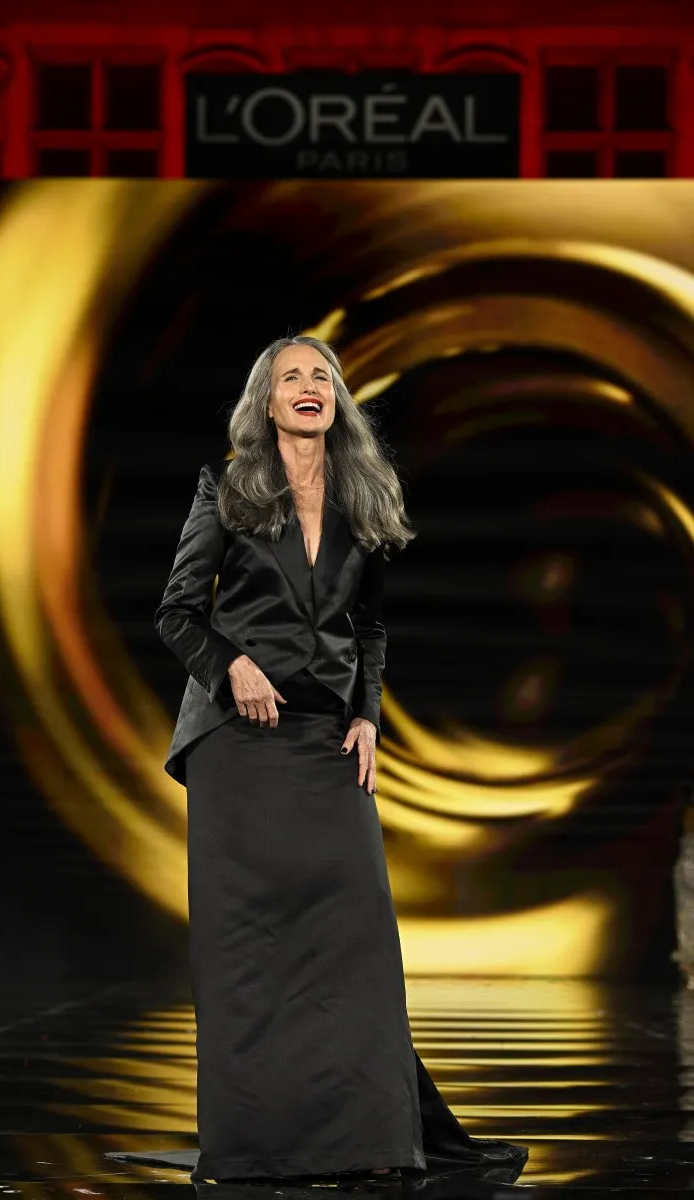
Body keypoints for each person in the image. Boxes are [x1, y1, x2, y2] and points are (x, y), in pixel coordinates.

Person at [155, 335, 528, 1183]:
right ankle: (256, 1146)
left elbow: (369, 627)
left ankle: (366, 1139)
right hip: (237, 749)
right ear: (267, 401)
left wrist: (367, 714)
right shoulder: (227, 489)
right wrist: (230, 665)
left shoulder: (364, 496)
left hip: (325, 741)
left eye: (321, 376)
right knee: (250, 955)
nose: (308, 386)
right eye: (291, 376)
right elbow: (176, 613)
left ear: (337, 401)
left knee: (356, 942)